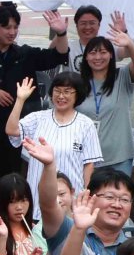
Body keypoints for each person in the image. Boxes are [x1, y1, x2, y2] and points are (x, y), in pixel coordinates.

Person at [0, 5, 70, 182]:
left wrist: (61, 33)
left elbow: (58, 56)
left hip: (15, 130)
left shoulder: (25, 53)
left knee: (10, 180)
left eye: (15, 27)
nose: (12, 32)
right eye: (7, 27)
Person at [7, 72, 100, 200]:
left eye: (67, 91)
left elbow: (89, 164)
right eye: (57, 91)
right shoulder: (38, 118)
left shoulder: (86, 124)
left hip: (70, 197)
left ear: (78, 94)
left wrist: (86, 193)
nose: (61, 96)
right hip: (37, 194)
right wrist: (20, 99)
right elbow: (11, 130)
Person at [78, 26, 134, 179]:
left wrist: (129, 44)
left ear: (111, 56)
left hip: (118, 156)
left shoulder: (123, 77)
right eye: (92, 53)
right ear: (86, 57)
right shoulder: (79, 83)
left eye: (103, 52)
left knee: (116, 199)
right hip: (86, 155)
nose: (97, 57)